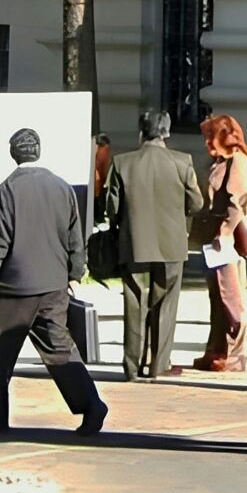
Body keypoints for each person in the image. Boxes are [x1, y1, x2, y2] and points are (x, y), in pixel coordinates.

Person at [0, 127, 107, 436]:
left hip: (15, 289)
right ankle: (91, 405)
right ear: (38, 151)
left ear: (13, 153)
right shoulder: (62, 188)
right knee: (60, 349)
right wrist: (75, 273)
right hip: (53, 284)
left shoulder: (6, 190)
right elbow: (75, 237)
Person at [105, 110, 207, 381]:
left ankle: (131, 366)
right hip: (172, 240)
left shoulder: (122, 163)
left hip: (134, 240)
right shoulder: (182, 162)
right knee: (166, 301)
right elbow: (197, 204)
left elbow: (112, 208)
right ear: (167, 132)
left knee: (134, 299)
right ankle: (158, 364)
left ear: (142, 131)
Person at [192, 112, 247, 372]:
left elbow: (235, 201)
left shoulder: (239, 162)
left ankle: (235, 354)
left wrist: (225, 232)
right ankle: (216, 349)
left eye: (210, 136)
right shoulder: (222, 160)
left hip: (226, 241)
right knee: (217, 297)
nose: (207, 142)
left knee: (231, 297)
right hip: (215, 240)